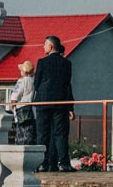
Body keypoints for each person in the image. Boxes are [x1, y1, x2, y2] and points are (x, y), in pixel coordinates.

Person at [31, 36, 74, 173]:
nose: (43, 47)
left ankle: (42, 163)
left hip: (44, 101)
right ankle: (63, 163)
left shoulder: (42, 62)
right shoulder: (67, 63)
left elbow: (36, 83)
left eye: (45, 44)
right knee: (60, 134)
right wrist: (70, 106)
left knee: (42, 133)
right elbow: (67, 85)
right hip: (60, 102)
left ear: (50, 47)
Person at [7, 60, 37, 145]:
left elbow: (15, 96)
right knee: (30, 135)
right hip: (33, 111)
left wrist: (12, 104)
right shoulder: (34, 81)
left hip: (21, 110)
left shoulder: (21, 81)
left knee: (21, 135)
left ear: (24, 72)